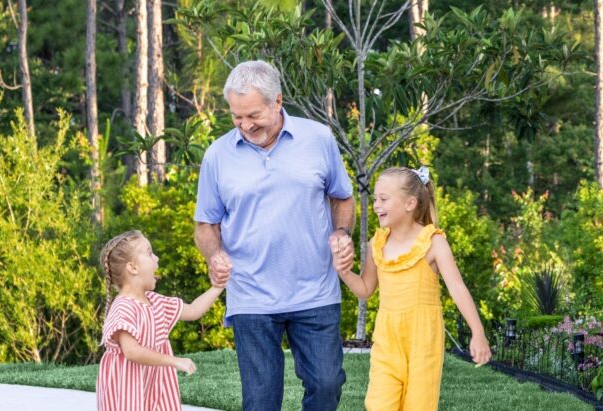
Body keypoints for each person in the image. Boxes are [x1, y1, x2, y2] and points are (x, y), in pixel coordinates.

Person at [193, 60, 356, 411]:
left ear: (277, 102)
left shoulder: (318, 139)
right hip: (251, 295)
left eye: (253, 115)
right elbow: (206, 224)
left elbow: (342, 198)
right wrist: (214, 255)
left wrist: (342, 233)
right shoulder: (218, 155)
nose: (245, 125)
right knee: (261, 400)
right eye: (237, 117)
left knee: (326, 385)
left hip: (315, 291)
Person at [332, 166, 491, 411]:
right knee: (379, 404)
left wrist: (477, 332)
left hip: (423, 341)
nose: (376, 205)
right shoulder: (377, 243)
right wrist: (344, 272)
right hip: (387, 339)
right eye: (375, 198)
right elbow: (365, 289)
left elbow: (458, 288)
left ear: (409, 203)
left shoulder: (433, 242)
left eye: (383, 199)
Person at [96, 230, 224, 411]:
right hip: (126, 393)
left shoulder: (156, 302)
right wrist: (174, 361)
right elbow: (131, 351)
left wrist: (218, 286)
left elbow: (194, 310)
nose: (156, 258)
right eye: (149, 253)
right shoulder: (124, 307)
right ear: (133, 267)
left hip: (153, 388)